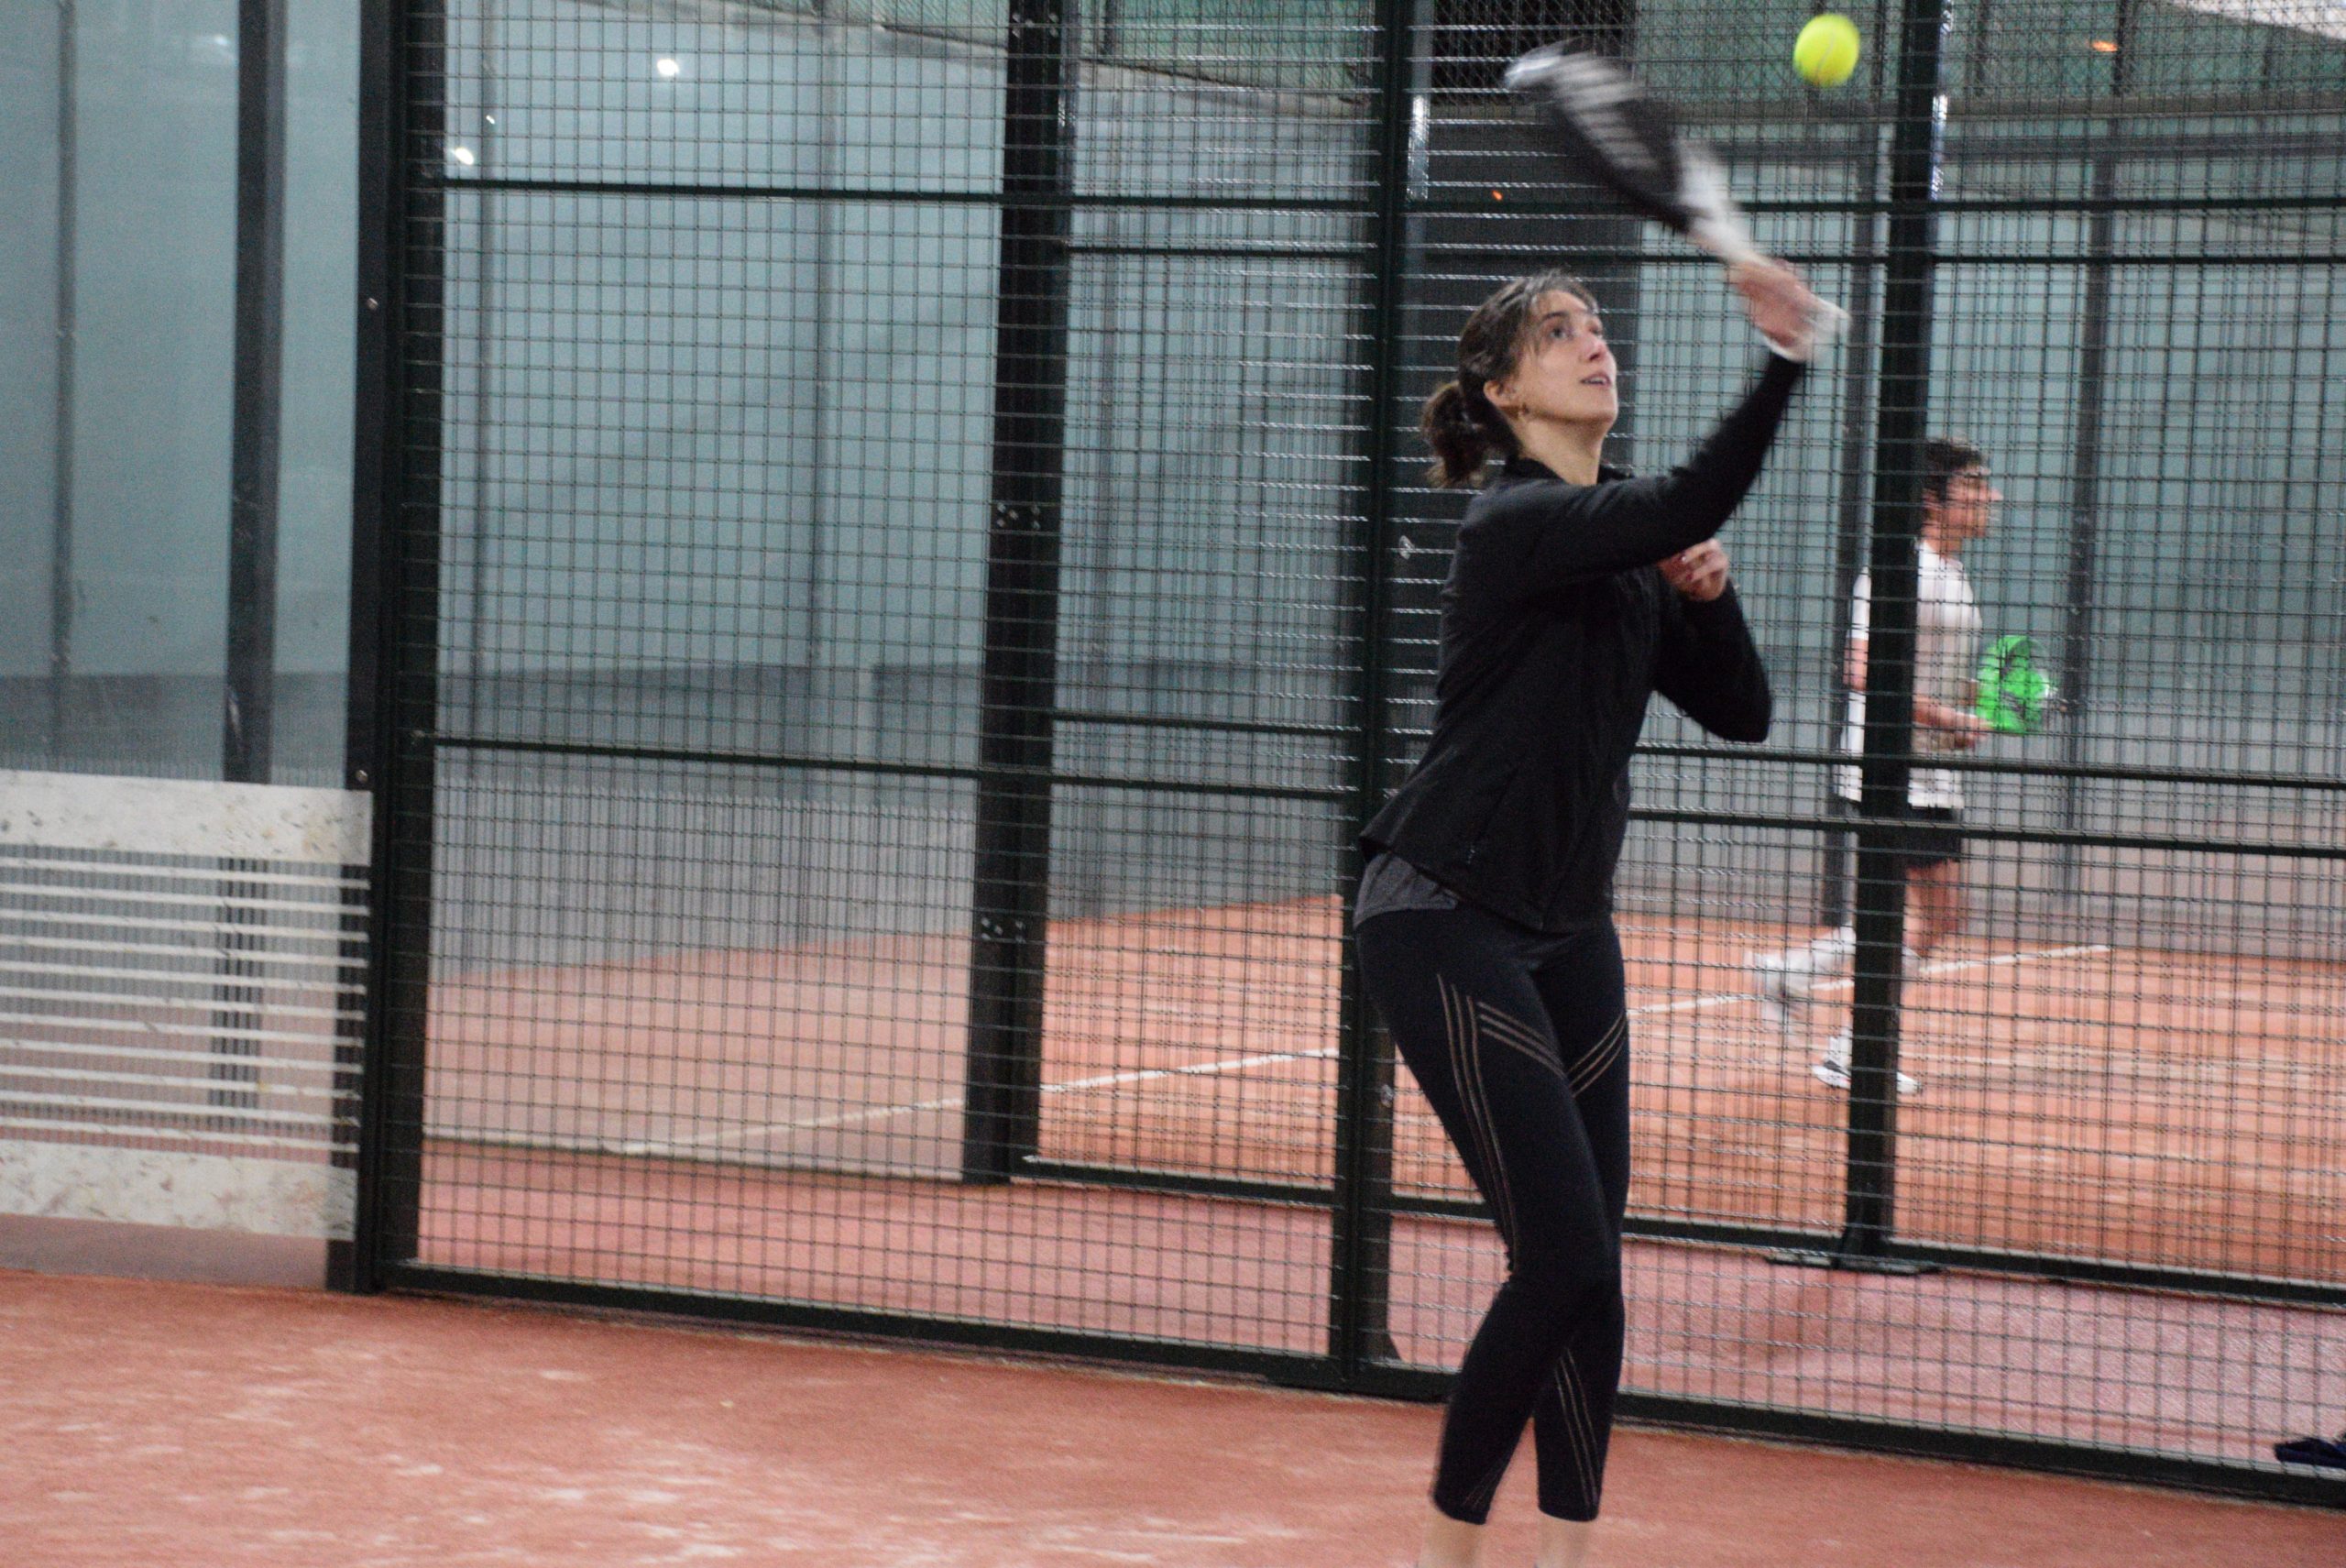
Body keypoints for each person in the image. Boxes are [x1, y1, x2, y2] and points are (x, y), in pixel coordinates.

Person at [1354, 258, 1827, 1568]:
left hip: (1568, 929)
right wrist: (1784, 359)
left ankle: (1566, 1549)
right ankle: (1443, 1550)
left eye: (1598, 325)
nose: (1593, 342)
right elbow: (1687, 496)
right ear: (1505, 391)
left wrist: (1710, 596)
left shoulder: (1628, 550)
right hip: (1440, 912)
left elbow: (1742, 711)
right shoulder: (1515, 522)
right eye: (1559, 333)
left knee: (1591, 1262)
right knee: (1560, 1253)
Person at [1749, 436, 2001, 1094]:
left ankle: (1792, 978)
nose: (1990, 496)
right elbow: (1863, 670)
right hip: (1890, 770)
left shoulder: (1953, 576)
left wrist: (1980, 706)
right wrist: (1949, 719)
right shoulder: (1899, 571)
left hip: (1929, 771)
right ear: (1933, 499)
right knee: (1936, 914)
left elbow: (1930, 677)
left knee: (1925, 915)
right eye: (1974, 484)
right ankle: (1851, 1046)